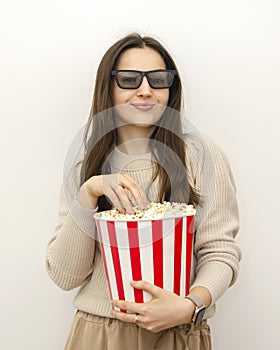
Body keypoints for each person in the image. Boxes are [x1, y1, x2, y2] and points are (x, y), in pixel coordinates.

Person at [46, 33, 242, 350]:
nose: (146, 90)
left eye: (158, 79)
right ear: (107, 88)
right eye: (128, 79)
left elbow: (220, 251)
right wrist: (90, 192)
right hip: (99, 335)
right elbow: (65, 275)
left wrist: (191, 305)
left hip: (179, 332)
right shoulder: (85, 163)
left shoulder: (200, 154)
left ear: (170, 87)